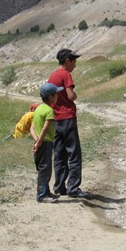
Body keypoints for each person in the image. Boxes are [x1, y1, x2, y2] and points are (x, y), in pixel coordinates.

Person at [47, 48, 90, 198]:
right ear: (67, 61)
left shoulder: (52, 76)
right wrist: (75, 95)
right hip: (68, 118)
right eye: (74, 61)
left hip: (56, 119)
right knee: (74, 154)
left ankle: (59, 186)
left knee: (59, 154)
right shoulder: (66, 74)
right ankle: (73, 187)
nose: (75, 65)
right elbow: (70, 96)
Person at [30, 83, 64, 203]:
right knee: (45, 169)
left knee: (44, 168)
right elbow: (45, 128)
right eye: (56, 94)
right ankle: (42, 196)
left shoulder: (38, 108)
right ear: (51, 97)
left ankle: (47, 192)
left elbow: (32, 127)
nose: (57, 96)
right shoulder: (49, 110)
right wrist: (40, 142)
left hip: (40, 142)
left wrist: (36, 141)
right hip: (46, 143)